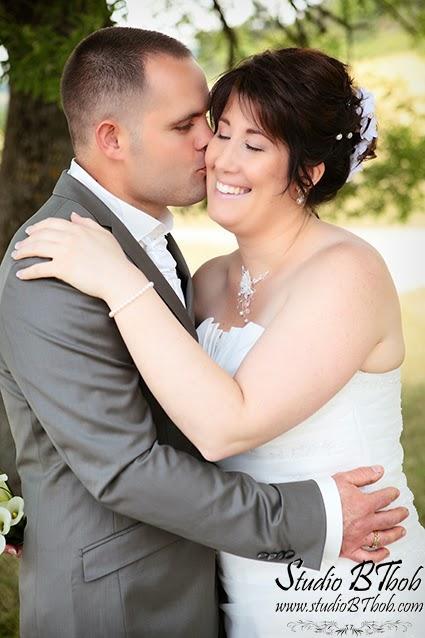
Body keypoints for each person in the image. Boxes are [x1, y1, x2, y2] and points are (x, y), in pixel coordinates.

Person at [0, 28, 409, 638]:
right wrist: (25, 511)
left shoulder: (332, 270)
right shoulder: (62, 261)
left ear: (306, 171)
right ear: (112, 137)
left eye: (238, 136)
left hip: (346, 576)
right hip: (128, 599)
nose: (211, 152)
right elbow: (120, 460)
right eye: (198, 128)